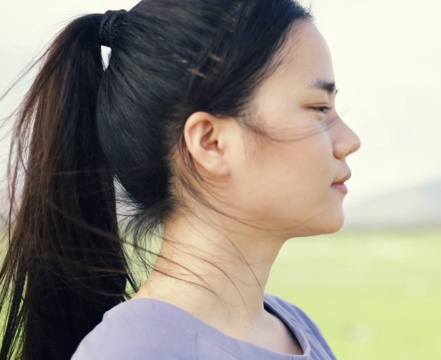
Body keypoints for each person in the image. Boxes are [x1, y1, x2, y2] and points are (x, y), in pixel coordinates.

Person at [0, 0, 360, 359]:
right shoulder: (133, 351)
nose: (350, 141)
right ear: (210, 142)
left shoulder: (296, 329)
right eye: (319, 109)